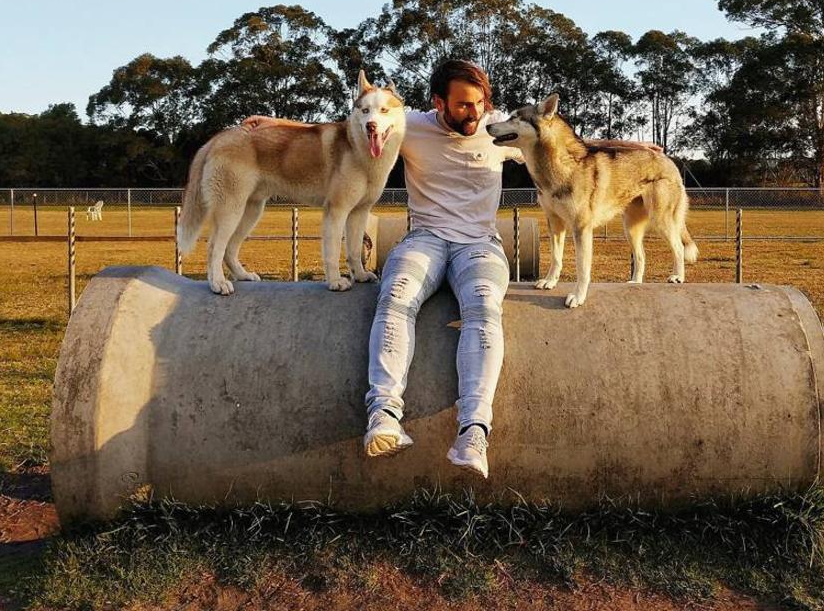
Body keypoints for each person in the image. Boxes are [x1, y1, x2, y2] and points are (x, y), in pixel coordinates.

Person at [244, 59, 655, 478]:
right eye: (462, 105)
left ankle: (474, 431)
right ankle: (383, 416)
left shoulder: (500, 129)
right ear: (438, 103)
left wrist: (632, 147)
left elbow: (561, 142)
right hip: (425, 239)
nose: (474, 113)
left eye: (479, 103)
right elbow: (342, 124)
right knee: (395, 296)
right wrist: (275, 124)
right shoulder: (408, 125)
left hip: (480, 243)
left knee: (483, 308)